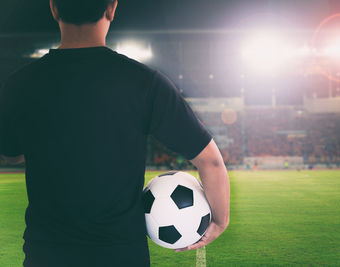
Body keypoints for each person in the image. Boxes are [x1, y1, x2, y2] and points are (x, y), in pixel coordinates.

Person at [0, 0, 230, 266]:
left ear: (53, 8)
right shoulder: (145, 83)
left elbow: (12, 154)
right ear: (111, 8)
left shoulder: (20, 85)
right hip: (121, 255)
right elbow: (210, 160)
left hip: (46, 254)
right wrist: (220, 221)